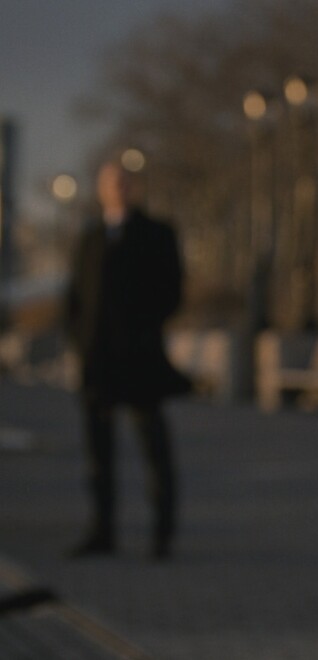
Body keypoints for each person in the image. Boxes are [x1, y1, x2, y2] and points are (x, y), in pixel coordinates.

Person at [65, 160, 190, 560]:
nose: (118, 187)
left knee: (154, 449)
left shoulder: (157, 233)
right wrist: (81, 343)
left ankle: (162, 535)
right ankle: (102, 531)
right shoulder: (89, 238)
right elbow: (75, 297)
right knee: (98, 456)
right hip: (97, 364)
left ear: (134, 187)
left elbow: (172, 291)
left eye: (124, 181)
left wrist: (141, 331)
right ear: (100, 188)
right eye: (111, 182)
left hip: (139, 362)